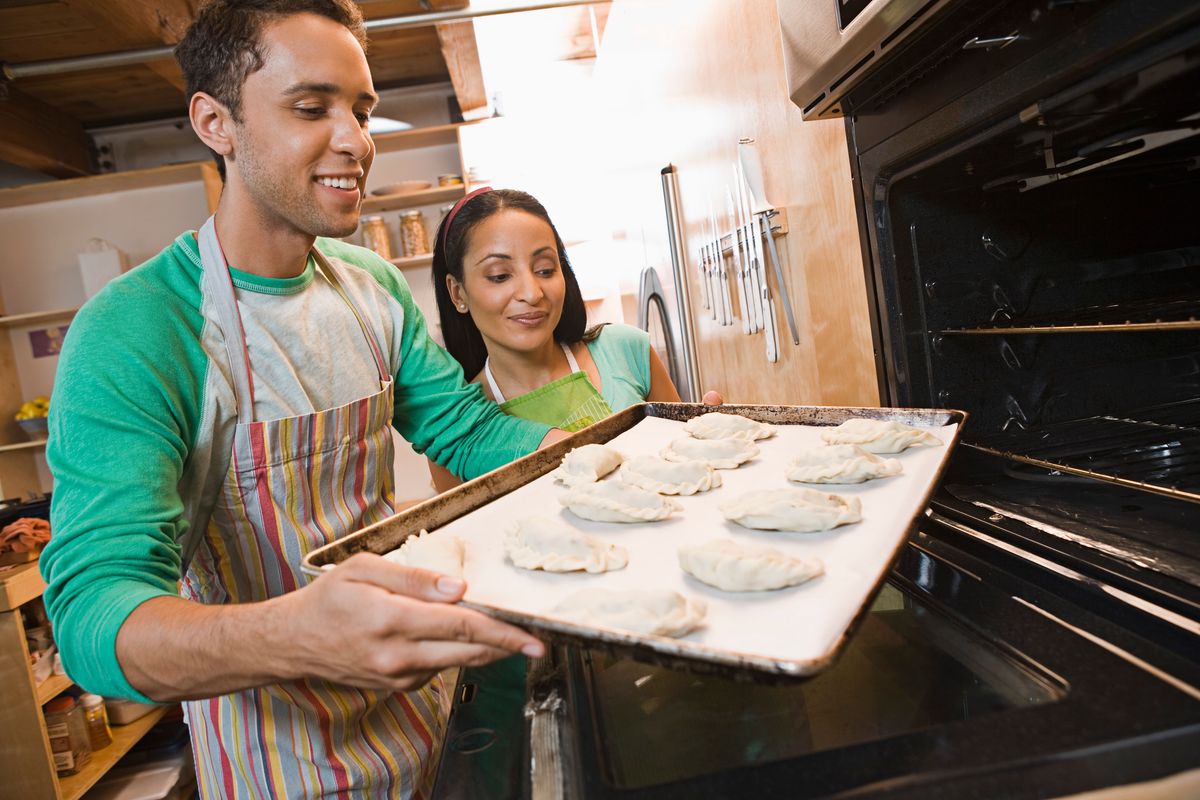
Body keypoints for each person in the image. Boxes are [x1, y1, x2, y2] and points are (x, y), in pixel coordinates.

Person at [39, 2, 566, 797]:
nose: (356, 140)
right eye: (311, 107)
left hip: (427, 717)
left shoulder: (373, 290)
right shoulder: (140, 329)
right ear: (215, 122)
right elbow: (92, 617)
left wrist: (622, 455)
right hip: (278, 764)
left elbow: (467, 434)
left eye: (361, 109)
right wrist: (295, 634)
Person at [427, 187, 720, 491]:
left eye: (545, 269)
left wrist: (710, 443)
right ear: (458, 293)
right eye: (500, 275)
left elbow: (687, 470)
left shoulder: (626, 350)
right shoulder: (457, 431)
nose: (532, 293)